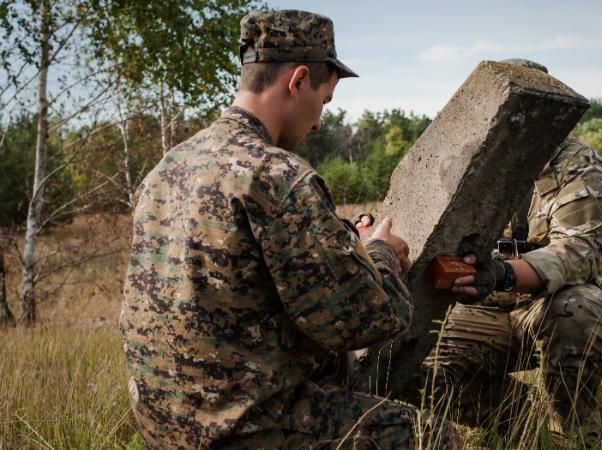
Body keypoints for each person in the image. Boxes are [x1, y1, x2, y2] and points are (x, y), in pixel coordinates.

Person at [120, 9, 461, 449]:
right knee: (432, 438)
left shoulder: (169, 167)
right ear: (298, 80)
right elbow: (367, 319)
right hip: (241, 431)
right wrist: (379, 255)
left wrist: (338, 248)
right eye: (325, 100)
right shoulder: (278, 175)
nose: (319, 121)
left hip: (162, 426)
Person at [421, 59, 602, 445]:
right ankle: (518, 418)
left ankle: (572, 429)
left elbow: (577, 252)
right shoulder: (468, 164)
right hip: (482, 307)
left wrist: (501, 273)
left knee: (581, 312)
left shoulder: (581, 166)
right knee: (414, 363)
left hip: (549, 301)